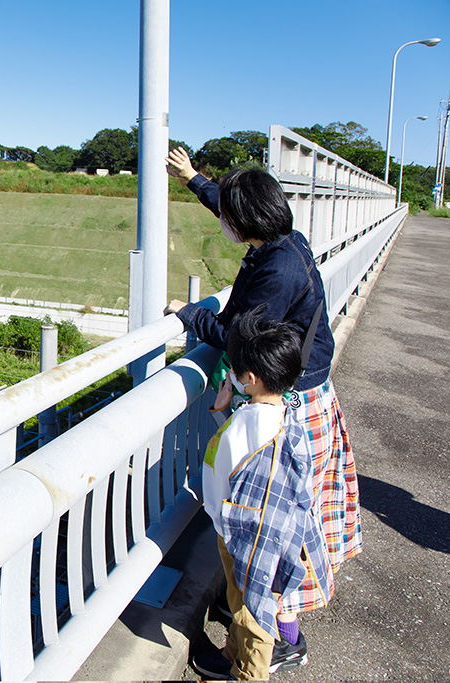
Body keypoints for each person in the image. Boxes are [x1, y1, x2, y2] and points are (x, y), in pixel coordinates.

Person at [164, 149, 362, 669]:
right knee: (283, 522)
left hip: (291, 408)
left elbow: (237, 335)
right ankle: (277, 629)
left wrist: (188, 315)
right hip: (301, 394)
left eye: (228, 215)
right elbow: (235, 206)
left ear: (245, 221)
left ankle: (276, 642)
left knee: (275, 526)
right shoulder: (283, 241)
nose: (224, 223)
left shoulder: (276, 269)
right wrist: (194, 180)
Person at [192, 308, 332, 681]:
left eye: (237, 373)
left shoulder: (245, 425)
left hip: (241, 533)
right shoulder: (287, 414)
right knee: (252, 603)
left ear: (249, 378)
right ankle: (232, 657)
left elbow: (224, 466)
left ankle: (248, 674)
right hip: (274, 528)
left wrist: (222, 413)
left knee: (250, 611)